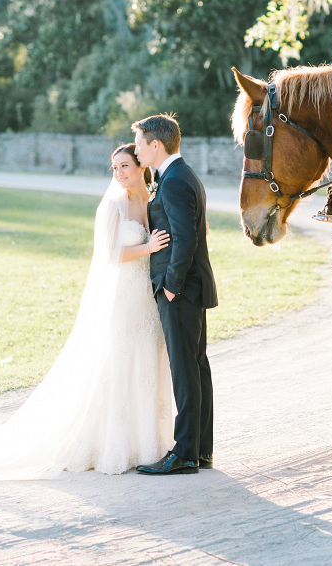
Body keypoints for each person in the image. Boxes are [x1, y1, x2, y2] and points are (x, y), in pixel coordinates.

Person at [0, 144, 173, 482]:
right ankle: (110, 444)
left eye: (124, 166)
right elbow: (109, 255)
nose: (119, 173)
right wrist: (146, 247)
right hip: (122, 299)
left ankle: (147, 446)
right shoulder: (113, 205)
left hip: (146, 302)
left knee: (146, 365)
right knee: (119, 365)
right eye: (114, 168)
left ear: (140, 167)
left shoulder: (152, 202)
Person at [133, 114, 218, 475]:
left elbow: (185, 239)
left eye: (138, 143)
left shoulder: (174, 181)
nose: (136, 150)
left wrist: (170, 285)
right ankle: (201, 450)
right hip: (190, 288)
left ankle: (184, 454)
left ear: (156, 144)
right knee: (196, 367)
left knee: (186, 371)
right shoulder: (178, 175)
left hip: (180, 290)